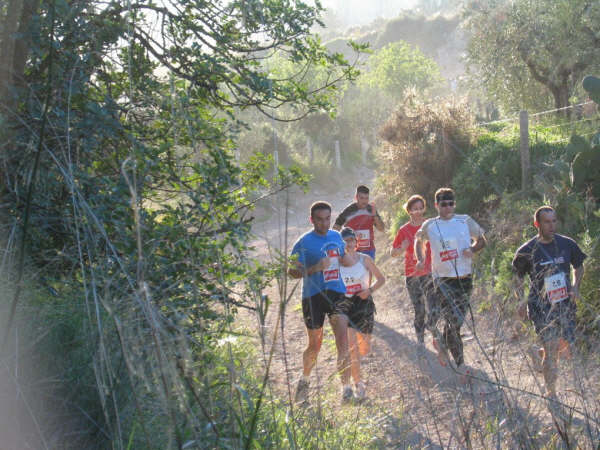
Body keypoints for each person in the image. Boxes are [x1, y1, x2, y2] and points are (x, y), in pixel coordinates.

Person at [512, 206, 586, 403]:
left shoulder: (567, 244)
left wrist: (575, 286)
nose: (551, 225)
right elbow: (517, 278)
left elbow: (578, 266)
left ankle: (541, 354)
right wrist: (521, 300)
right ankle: (551, 392)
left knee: (564, 346)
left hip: (564, 302)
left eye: (554, 221)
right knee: (553, 347)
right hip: (540, 305)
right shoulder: (527, 250)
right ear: (537, 224)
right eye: (547, 222)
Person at [414, 188, 486, 380]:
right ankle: (461, 365)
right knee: (452, 321)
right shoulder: (431, 224)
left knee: (456, 322)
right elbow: (418, 241)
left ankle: (443, 344)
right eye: (443, 204)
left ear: (454, 204)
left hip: (464, 277)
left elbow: (482, 239)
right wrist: (420, 258)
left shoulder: (464, 221)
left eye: (450, 203)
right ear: (436, 205)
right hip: (442, 279)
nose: (447, 207)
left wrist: (473, 249)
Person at [288, 201, 355, 404]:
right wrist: (314, 268)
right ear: (312, 220)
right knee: (315, 345)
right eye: (320, 219)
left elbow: (344, 258)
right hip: (313, 296)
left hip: (337, 292)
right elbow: (291, 272)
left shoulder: (336, 236)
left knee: (342, 340)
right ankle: (304, 380)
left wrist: (346, 259)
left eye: (328, 219)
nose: (325, 223)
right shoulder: (303, 242)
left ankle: (346, 389)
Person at [339, 227, 385, 401]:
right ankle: (357, 383)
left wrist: (369, 291)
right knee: (352, 349)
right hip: (346, 305)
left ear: (356, 243)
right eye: (344, 242)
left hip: (364, 304)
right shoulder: (337, 263)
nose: (348, 245)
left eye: (351, 241)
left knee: (364, 348)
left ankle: (357, 378)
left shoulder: (365, 259)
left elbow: (382, 279)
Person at [391, 195, 433, 344]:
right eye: (415, 209)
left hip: (430, 273)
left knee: (434, 308)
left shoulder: (430, 225)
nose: (419, 211)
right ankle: (420, 340)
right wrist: (402, 247)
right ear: (409, 211)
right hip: (412, 274)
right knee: (420, 310)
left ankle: (434, 333)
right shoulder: (404, 230)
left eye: (421, 208)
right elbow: (392, 253)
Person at [333, 185, 385, 259]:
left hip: (369, 250)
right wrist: (342, 243)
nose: (364, 201)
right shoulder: (348, 211)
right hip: (352, 250)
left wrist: (375, 216)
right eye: (362, 198)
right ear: (356, 197)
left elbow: (381, 228)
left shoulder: (371, 210)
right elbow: (336, 228)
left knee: (368, 270)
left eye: (366, 198)